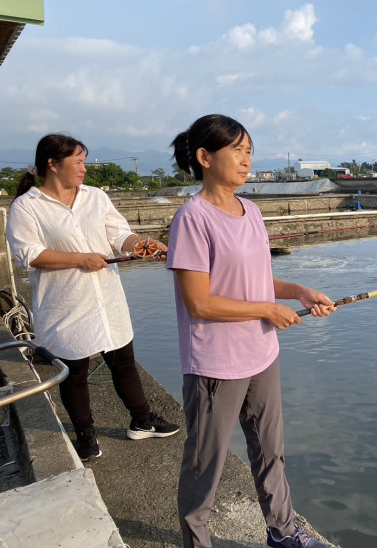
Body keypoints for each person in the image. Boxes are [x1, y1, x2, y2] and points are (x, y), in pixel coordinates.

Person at [168, 114, 336, 548]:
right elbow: (199, 302)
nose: (246, 161)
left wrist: (296, 290)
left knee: (270, 452)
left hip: (262, 354)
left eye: (249, 152)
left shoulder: (252, 210)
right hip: (215, 365)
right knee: (206, 465)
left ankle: (282, 533)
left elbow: (257, 280)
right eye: (237, 151)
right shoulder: (192, 218)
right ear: (205, 157)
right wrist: (265, 308)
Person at [5, 133, 180, 461]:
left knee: (124, 362)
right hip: (65, 303)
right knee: (75, 370)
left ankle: (142, 420)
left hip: (106, 299)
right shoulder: (27, 206)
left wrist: (144, 246)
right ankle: (86, 435)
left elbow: (118, 235)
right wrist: (80, 259)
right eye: (79, 162)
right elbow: (27, 254)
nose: (85, 168)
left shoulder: (96, 197)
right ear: (53, 165)